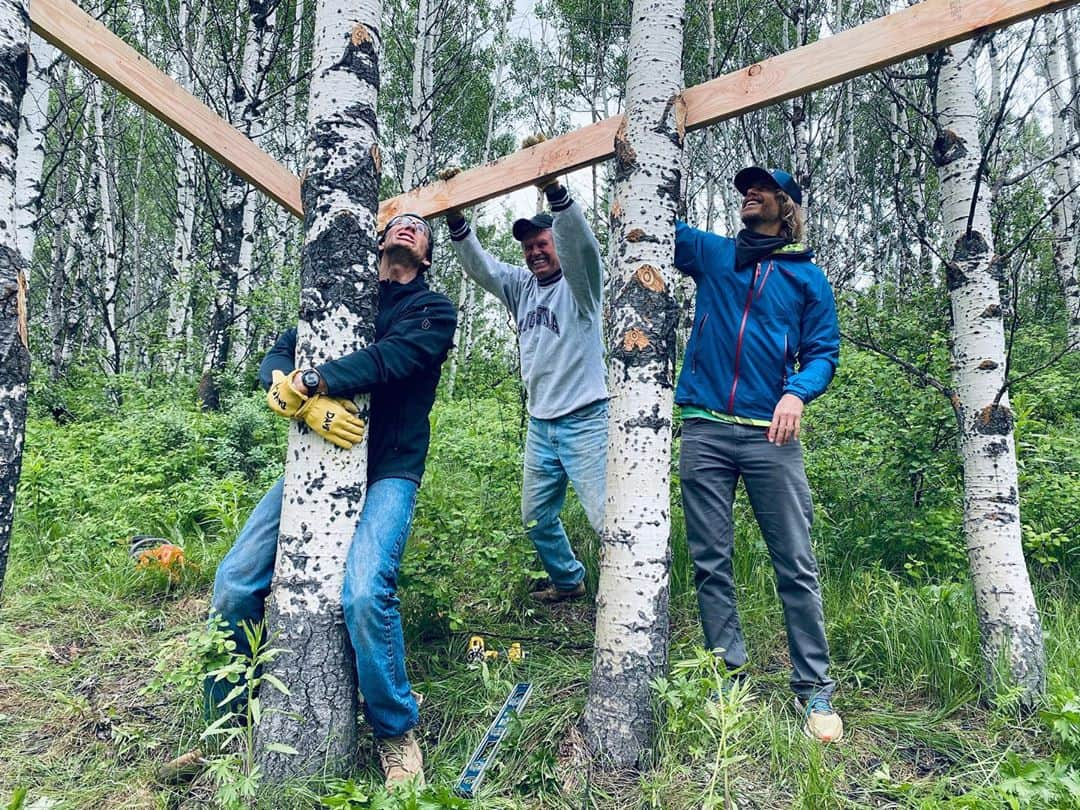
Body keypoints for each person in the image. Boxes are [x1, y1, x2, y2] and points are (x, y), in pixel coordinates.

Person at [160, 213, 456, 788]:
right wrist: (287, 392)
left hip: (388, 468)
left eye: (420, 227)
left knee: (367, 591)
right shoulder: (339, 296)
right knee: (234, 580)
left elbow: (390, 361)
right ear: (375, 238)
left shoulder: (433, 310)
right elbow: (278, 354)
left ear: (426, 254)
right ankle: (223, 731)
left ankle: (396, 733)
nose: (408, 227)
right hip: (314, 465)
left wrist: (315, 382)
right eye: (397, 221)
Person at [674, 167, 843, 743]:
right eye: (745, 185)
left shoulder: (807, 279)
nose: (749, 191)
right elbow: (647, 222)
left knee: (795, 560)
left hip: (771, 435)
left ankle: (814, 686)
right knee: (709, 560)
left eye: (763, 187)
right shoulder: (714, 254)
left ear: (787, 205)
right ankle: (727, 675)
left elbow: (823, 353)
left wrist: (797, 391)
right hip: (702, 426)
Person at [441, 151, 607, 604]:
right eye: (528, 246)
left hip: (586, 419)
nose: (535, 251)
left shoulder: (582, 289)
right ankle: (569, 581)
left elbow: (583, 248)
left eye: (543, 243)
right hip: (541, 424)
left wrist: (556, 194)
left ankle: (626, 601)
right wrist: (457, 220)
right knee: (536, 517)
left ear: (558, 245)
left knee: (606, 519)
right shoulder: (522, 287)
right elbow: (483, 269)